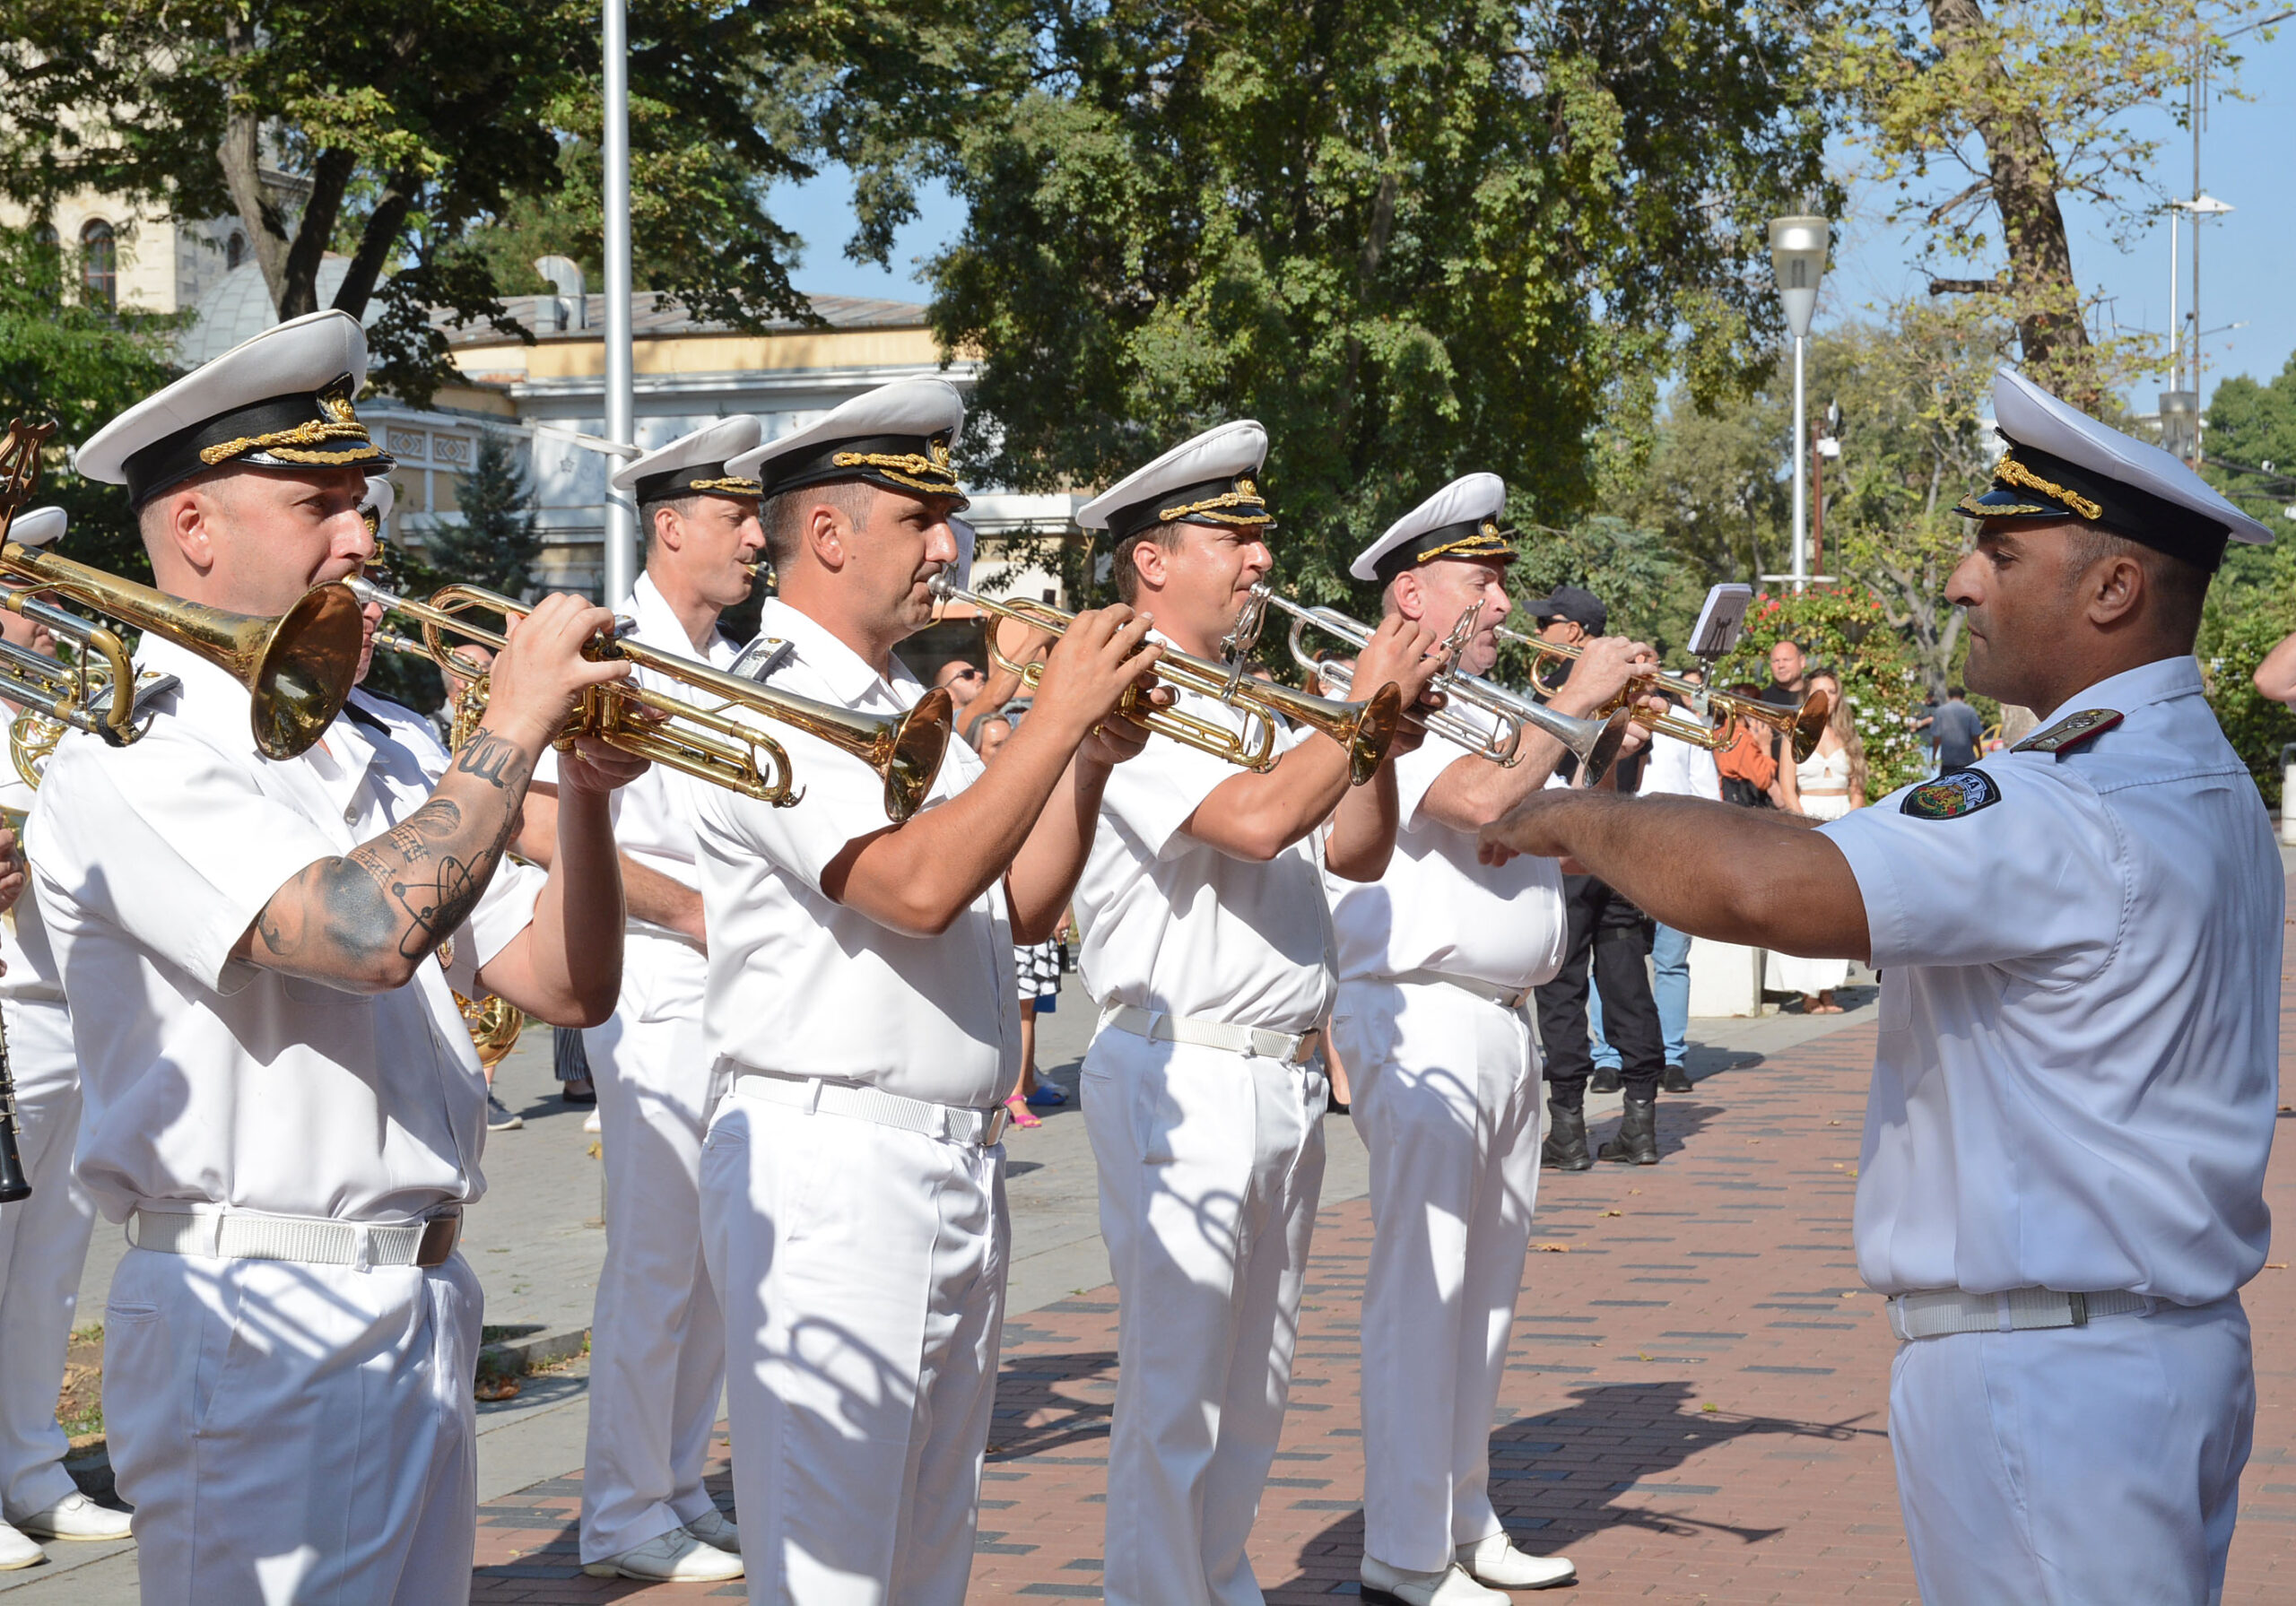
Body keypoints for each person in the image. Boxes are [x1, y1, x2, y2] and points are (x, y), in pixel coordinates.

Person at [1477, 367, 2280, 1604]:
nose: (1963, 579)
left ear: (2115, 587)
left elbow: (1767, 888)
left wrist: (1575, 811)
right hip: (2131, 1352)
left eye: (2002, 553)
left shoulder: (2072, 798)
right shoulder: (2192, 773)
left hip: (2051, 1377)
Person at [35, 308, 640, 1603]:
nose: (363, 537)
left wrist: (580, 786)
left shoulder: (395, 746)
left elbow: (567, 986)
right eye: (319, 502)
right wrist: (517, 717)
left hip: (420, 1294)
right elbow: (364, 933)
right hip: (253, 1314)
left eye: (360, 501)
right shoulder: (132, 752)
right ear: (195, 529)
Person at [692, 378, 1160, 1603]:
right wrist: (1051, 718)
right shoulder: (775, 694)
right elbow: (910, 886)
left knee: (924, 1556)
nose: (949, 547)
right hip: (835, 1163)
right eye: (923, 519)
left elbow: (1019, 905)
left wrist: (1088, 759)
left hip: (942, 1158)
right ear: (834, 534)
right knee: (836, 1565)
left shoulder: (899, 709)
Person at [1068, 421, 1445, 1606]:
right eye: (1235, 537)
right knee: (1177, 1390)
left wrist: (1375, 738)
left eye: (1261, 536)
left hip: (1275, 1073)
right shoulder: (1136, 692)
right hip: (1183, 1067)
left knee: (1256, 1387)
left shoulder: (1248, 691)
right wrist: (1353, 716)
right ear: (1153, 561)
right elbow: (1252, 820)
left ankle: (1218, 1579)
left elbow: (1357, 847)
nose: (1263, 561)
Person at [1326, 475, 1652, 1605]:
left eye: (1505, 579)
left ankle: (1466, 1515)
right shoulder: (1378, 692)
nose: (1504, 601)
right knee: (1426, 1291)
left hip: (1503, 1020)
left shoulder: (1473, 700)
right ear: (1411, 589)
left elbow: (1547, 828)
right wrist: (1570, 698)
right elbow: (1474, 805)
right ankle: (1405, 1552)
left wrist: (1600, 735)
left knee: (1488, 1297)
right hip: (1421, 1010)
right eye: (1484, 579)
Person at [550, 417, 770, 1584]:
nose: (755, 536)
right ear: (671, 524)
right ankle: (623, 1504)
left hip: (745, 993)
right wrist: (685, 906)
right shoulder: (600, 650)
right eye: (735, 517)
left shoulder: (743, 663)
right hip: (655, 986)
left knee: (718, 1265)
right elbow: (546, 823)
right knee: (652, 1263)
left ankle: (679, 1479)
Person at [0, 508, 135, 1568]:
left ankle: (33, 1471)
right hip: (5, 1012)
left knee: (49, 1269)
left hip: (69, 1010)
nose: (43, 617)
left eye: (41, 592)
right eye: (21, 595)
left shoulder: (63, 713)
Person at [1524, 586, 1667, 1168]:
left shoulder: (1577, 691)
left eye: (1550, 624)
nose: (1542, 634)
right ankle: (1639, 1123)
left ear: (1576, 632)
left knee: (1564, 990)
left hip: (1575, 849)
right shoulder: (1579, 688)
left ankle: (1570, 1128)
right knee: (1626, 981)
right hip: (1615, 849)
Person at [1768, 667, 1866, 1014]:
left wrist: (1852, 823)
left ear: (1839, 695)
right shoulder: (1794, 732)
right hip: (1805, 818)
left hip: (1842, 816)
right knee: (1804, 904)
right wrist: (1804, 823)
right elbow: (1787, 785)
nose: (1826, 696)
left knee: (1837, 906)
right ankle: (1807, 992)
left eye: (1832, 690)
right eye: (1818, 690)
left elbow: (1858, 789)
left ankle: (1828, 988)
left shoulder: (1849, 736)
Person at [1929, 685, 1984, 772]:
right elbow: (1975, 736)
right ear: (1963, 697)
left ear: (1949, 697)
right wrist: (1980, 754)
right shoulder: (1970, 711)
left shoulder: (1940, 711)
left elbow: (1936, 738)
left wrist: (1934, 757)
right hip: (1967, 760)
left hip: (1948, 761)